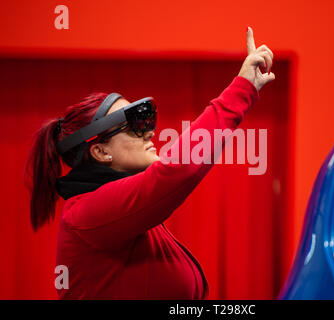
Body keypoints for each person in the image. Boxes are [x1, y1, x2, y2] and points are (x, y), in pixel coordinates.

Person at [25, 26, 275, 299]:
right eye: (134, 126)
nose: (150, 132)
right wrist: (242, 89)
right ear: (99, 152)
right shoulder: (88, 212)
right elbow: (178, 171)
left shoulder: (115, 210)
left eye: (147, 120)